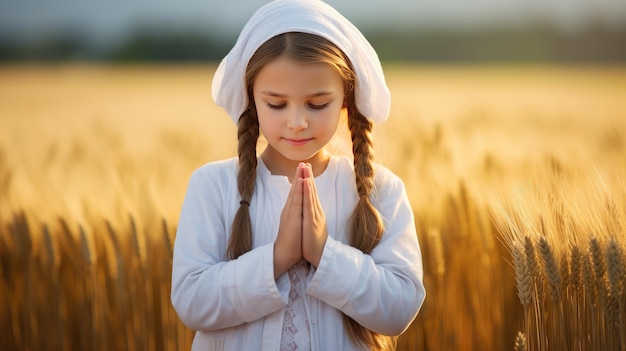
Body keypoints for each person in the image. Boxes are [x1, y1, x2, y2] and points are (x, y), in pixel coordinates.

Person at [170, 0, 425, 350]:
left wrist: (324, 253)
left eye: (317, 104)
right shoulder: (213, 187)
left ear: (346, 98)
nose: (297, 121)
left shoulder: (381, 190)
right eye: (276, 104)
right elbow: (191, 301)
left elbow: (400, 307)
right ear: (251, 99)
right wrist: (278, 257)